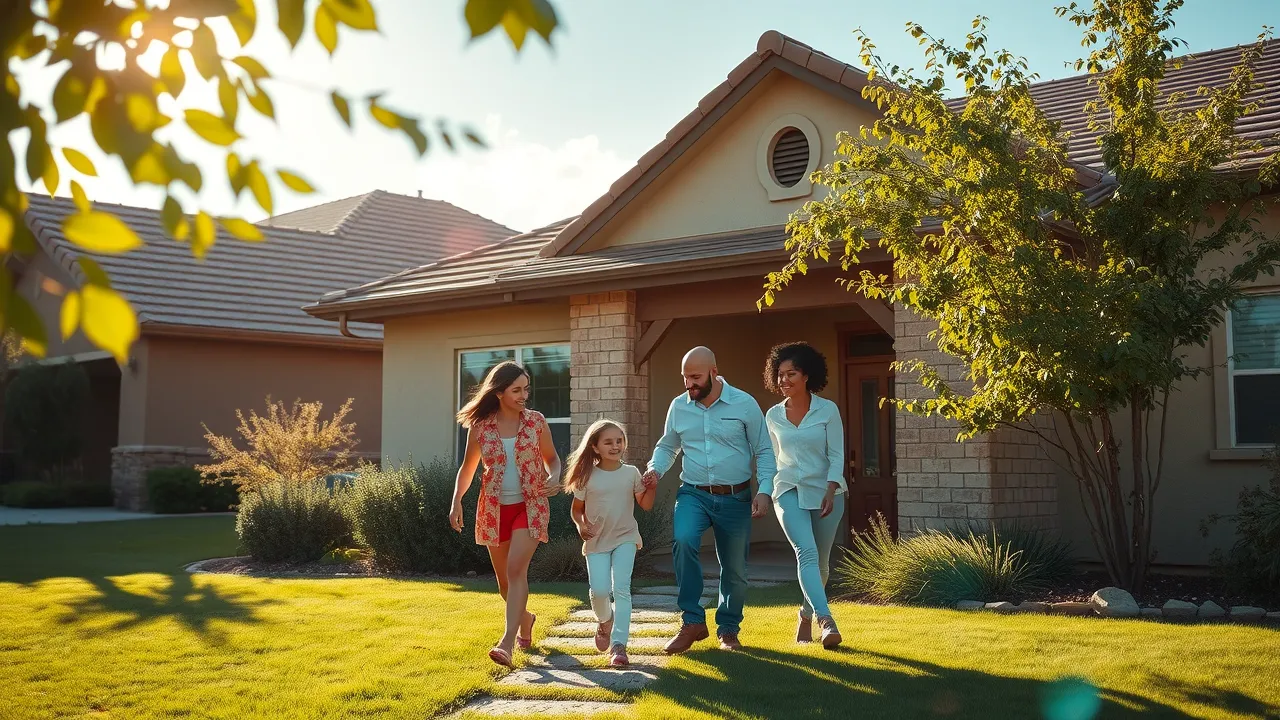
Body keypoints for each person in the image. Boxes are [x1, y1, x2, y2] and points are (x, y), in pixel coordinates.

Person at [643, 346, 777, 654]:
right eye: (685, 377)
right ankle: (692, 621)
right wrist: (655, 470)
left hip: (736, 497)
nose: (688, 383)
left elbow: (764, 451)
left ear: (713, 372)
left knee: (734, 569)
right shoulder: (679, 406)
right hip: (693, 493)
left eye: (695, 376)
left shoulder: (744, 404)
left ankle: (728, 630)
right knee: (684, 540)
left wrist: (765, 491)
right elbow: (668, 446)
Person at [450, 361, 563, 668]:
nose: (524, 395)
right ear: (499, 392)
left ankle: (506, 643)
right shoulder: (481, 427)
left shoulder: (536, 422)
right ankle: (526, 620)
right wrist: (457, 500)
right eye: (517, 390)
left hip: (531, 506)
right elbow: (468, 467)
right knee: (504, 585)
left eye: (526, 388)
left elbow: (552, 459)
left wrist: (554, 476)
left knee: (516, 572)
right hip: (494, 510)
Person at [761, 341, 847, 649]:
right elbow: (769, 458)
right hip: (787, 490)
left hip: (827, 492)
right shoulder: (772, 416)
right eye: (780, 375)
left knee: (821, 562)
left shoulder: (827, 410)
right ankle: (827, 620)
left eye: (791, 374)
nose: (784, 380)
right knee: (806, 552)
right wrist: (762, 490)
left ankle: (806, 614)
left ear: (807, 375)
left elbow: (837, 455)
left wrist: (831, 487)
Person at [564, 419, 658, 667]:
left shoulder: (631, 473)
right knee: (599, 591)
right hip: (596, 541)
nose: (616, 446)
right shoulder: (587, 477)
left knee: (621, 589)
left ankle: (619, 645)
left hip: (626, 537)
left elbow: (645, 505)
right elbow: (576, 510)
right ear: (595, 447)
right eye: (608, 442)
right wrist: (581, 525)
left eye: (619, 440)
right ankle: (605, 621)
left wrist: (653, 488)